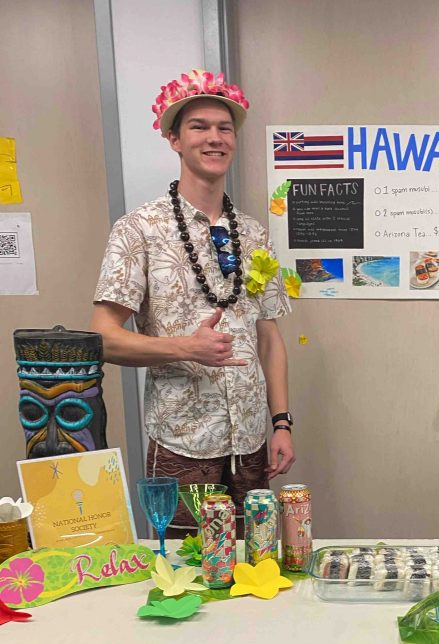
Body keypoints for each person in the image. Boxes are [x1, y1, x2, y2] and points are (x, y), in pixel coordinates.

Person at [91, 69, 294, 535]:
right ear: (174, 140)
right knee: (186, 566)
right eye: (199, 127)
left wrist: (281, 423)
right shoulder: (139, 229)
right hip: (181, 442)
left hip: (250, 442)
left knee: (253, 559)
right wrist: (185, 347)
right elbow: (103, 337)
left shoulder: (254, 234)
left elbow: (269, 337)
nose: (214, 138)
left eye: (225, 128)